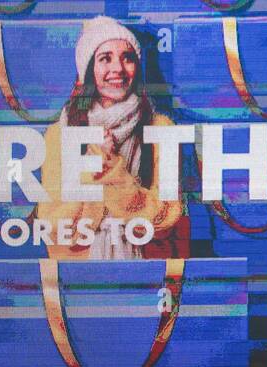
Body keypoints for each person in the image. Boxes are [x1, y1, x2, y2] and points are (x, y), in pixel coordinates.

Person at [35, 16, 187, 260]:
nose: (118, 68)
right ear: (88, 69)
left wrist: (111, 170)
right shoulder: (60, 134)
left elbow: (167, 216)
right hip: (77, 275)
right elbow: (53, 224)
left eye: (127, 58)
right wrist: (92, 165)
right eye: (105, 58)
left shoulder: (162, 129)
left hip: (145, 270)